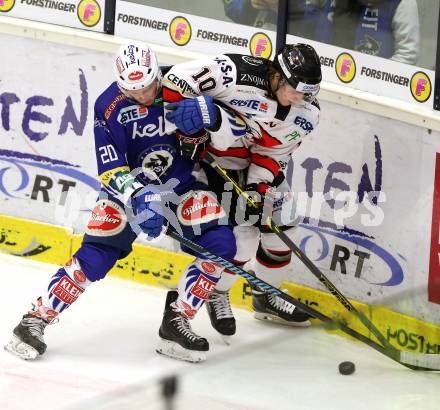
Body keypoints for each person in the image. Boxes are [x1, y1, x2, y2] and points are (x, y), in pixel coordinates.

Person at [4, 41, 237, 363]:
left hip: (182, 186)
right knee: (97, 255)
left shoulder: (184, 86)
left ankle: (177, 320)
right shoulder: (107, 105)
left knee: (221, 243)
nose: (143, 96)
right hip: (129, 192)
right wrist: (140, 195)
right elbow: (110, 165)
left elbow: (216, 143)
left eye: (148, 87)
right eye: (133, 91)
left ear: (158, 73)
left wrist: (209, 121)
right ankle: (34, 321)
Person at [163, 43, 322, 340]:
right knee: (244, 238)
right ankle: (217, 292)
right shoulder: (235, 73)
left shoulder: (307, 113)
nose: (302, 98)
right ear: (277, 76)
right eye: (297, 90)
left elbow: (273, 154)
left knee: (284, 226)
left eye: (308, 92)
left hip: (253, 168)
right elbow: (175, 79)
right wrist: (191, 128)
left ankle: (265, 296)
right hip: (216, 162)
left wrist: (256, 189)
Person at [302, 0, 420, 65]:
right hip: (319, 70)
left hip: (370, 87)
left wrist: (374, 76)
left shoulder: (403, 3)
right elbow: (302, 25)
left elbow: (407, 56)